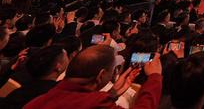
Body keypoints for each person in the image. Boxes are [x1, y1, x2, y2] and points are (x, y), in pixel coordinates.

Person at [25, 45, 162, 109]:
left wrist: (113, 93)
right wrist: (154, 77)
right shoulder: (97, 103)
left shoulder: (38, 100)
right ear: (101, 75)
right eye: (111, 70)